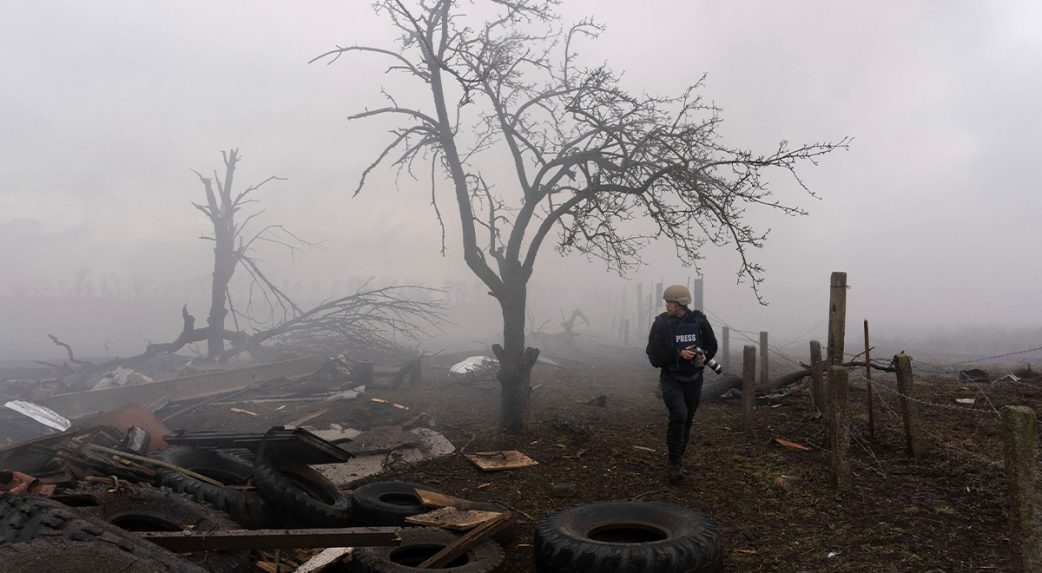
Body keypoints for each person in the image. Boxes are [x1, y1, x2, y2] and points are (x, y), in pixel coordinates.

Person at [645, 284, 718, 481]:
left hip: (694, 379)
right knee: (679, 414)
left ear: (682, 303)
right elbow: (653, 355)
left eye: (671, 302)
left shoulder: (699, 320)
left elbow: (712, 345)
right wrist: (677, 353)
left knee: (688, 420)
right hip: (671, 378)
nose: (667, 305)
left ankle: (679, 455)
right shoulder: (660, 324)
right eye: (666, 301)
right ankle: (674, 462)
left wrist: (704, 356)